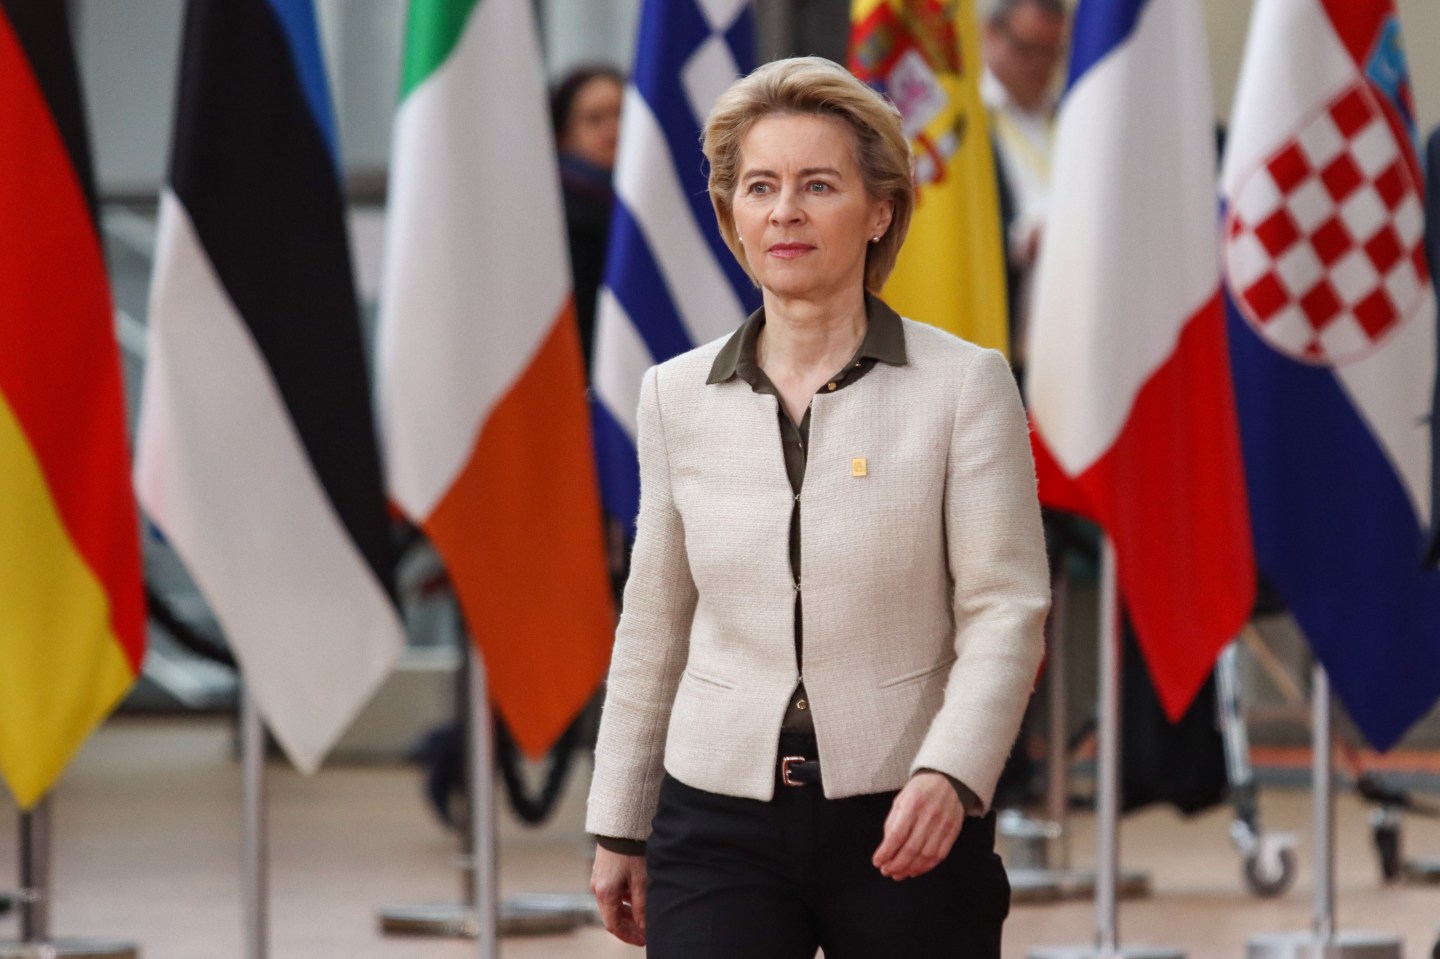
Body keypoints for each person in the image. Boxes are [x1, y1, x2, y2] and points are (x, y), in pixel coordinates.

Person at [585, 56, 1049, 958]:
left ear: (879, 211)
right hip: (714, 816)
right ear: (732, 217)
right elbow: (655, 620)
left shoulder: (965, 385)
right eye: (759, 187)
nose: (784, 210)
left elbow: (1006, 609)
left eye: (817, 184)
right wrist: (620, 823)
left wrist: (952, 773)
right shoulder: (674, 394)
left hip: (908, 809)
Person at [981, 0, 1067, 373]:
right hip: (1004, 327)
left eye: (1052, 53)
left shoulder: (1068, 114)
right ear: (991, 35)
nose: (1040, 66)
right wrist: (1022, 241)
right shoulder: (966, 120)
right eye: (1028, 49)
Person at [550, 65, 623, 370]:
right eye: (594, 119)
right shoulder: (554, 215)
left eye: (621, 113)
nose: (613, 130)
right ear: (564, 136)